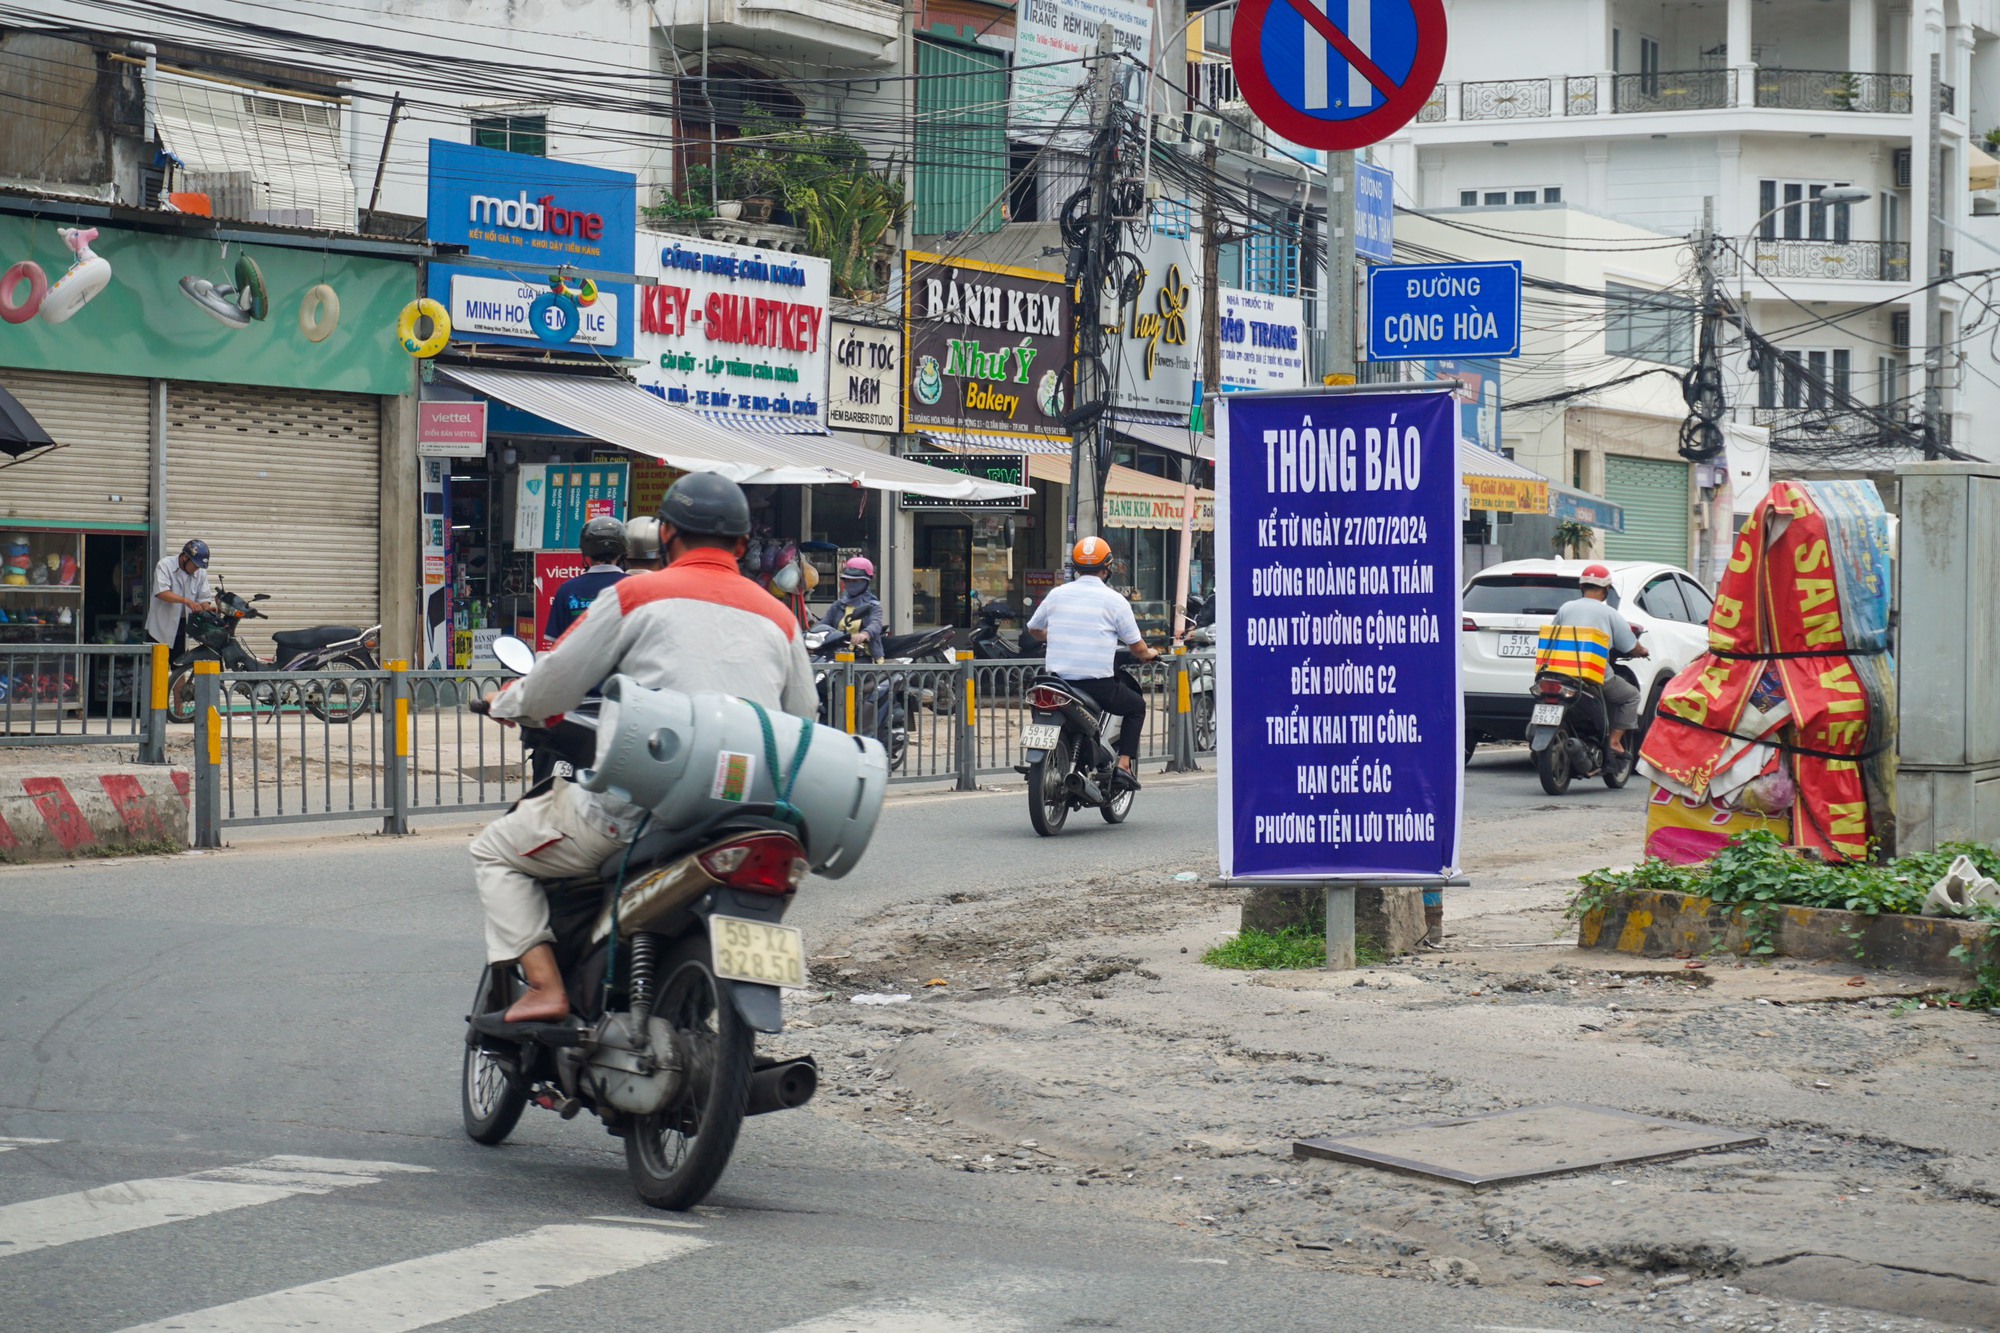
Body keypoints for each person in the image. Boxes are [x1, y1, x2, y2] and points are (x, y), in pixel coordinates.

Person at [473, 474, 817, 1023]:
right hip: (743, 814)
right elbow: (804, 720)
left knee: (494, 851)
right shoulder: (780, 617)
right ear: (742, 545)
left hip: (638, 810)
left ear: (666, 533)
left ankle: (544, 987)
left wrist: (509, 703)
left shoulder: (636, 595)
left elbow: (555, 680)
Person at [1026, 536, 1159, 789]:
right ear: (1107, 566)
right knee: (1136, 707)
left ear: (1076, 566)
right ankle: (1124, 765)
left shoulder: (1057, 594)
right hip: (1096, 685)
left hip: (1056, 682)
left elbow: (1034, 629)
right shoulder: (1115, 600)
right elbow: (1137, 647)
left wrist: (1055, 636)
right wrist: (1149, 654)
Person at [1545, 563, 1649, 756]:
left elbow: (1553, 634)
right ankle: (1615, 742)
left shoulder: (1566, 608)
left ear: (1582, 587)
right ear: (1606, 590)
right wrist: (1642, 651)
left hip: (1560, 672)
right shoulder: (1609, 613)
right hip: (1593, 675)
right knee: (1631, 695)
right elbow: (1629, 645)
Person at [542, 516, 628, 643]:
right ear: (622, 552)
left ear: (586, 552)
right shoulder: (636, 587)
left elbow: (555, 646)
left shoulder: (567, 590)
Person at [148, 539, 214, 662]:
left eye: (199, 567)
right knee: (156, 669)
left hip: (182, 627)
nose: (197, 569)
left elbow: (204, 597)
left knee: (179, 667)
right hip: (160, 626)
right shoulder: (164, 565)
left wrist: (207, 609)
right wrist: (187, 601)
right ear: (185, 557)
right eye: (195, 566)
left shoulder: (201, 572)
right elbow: (161, 592)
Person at [816, 556, 884, 661]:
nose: (851, 584)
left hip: (864, 656)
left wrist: (864, 634)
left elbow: (876, 624)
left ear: (867, 582)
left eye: (856, 581)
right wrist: (811, 632)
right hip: (836, 654)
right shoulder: (838, 605)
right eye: (848, 581)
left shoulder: (873, 607)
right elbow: (824, 624)